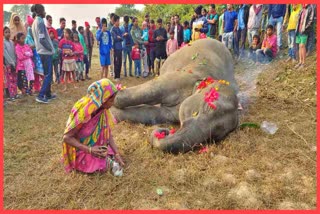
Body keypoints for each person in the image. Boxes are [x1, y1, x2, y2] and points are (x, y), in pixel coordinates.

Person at [62, 79, 124, 174]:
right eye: (111, 100)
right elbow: (67, 137)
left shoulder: (102, 109)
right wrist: (90, 150)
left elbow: (108, 133)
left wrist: (117, 153)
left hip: (93, 146)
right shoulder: (84, 113)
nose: (113, 104)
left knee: (106, 154)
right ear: (102, 99)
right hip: (80, 148)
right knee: (99, 166)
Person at [31, 4, 56, 104]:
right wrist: (51, 48)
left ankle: (48, 94)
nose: (45, 12)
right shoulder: (40, 22)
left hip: (41, 51)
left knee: (47, 74)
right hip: (45, 52)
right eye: (44, 10)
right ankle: (41, 95)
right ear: (40, 11)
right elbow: (42, 39)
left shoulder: (34, 22)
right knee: (48, 75)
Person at [25, 15, 44, 92]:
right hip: (33, 56)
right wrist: (33, 46)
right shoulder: (28, 35)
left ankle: (42, 87)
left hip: (38, 55)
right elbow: (28, 46)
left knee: (40, 72)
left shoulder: (35, 32)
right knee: (36, 73)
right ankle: (37, 87)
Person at [294, 4, 315, 70]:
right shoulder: (302, 8)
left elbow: (311, 20)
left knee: (303, 46)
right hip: (299, 30)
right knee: (300, 46)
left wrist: (305, 28)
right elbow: (299, 19)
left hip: (304, 30)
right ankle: (300, 62)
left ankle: (303, 63)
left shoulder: (310, 7)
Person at [3, 26, 18, 101]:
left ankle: (15, 93)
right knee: (10, 80)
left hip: (14, 64)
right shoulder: (3, 43)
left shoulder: (12, 42)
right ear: (3, 34)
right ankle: (11, 95)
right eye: (6, 32)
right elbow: (5, 54)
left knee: (15, 79)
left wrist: (15, 62)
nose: (8, 34)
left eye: (9, 32)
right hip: (8, 64)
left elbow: (15, 53)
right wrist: (11, 62)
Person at [111, 15, 123, 82]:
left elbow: (121, 38)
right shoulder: (113, 29)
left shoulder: (119, 29)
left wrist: (119, 37)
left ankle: (119, 75)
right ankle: (116, 76)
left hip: (120, 47)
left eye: (119, 21)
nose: (119, 22)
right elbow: (115, 38)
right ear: (115, 21)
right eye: (118, 21)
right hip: (115, 48)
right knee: (116, 62)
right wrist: (118, 37)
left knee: (120, 61)